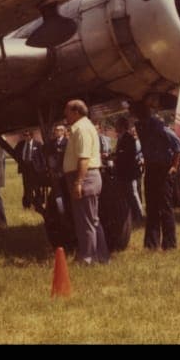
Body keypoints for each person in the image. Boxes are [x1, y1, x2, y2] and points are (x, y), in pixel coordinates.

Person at [62, 99, 109, 265]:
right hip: (89, 176)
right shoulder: (85, 126)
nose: (65, 115)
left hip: (84, 176)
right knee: (92, 220)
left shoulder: (80, 129)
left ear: (76, 113)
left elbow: (83, 158)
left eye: (67, 111)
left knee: (85, 221)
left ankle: (87, 258)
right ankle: (101, 256)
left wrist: (78, 182)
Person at [132, 98, 180, 250]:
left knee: (165, 207)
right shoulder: (141, 126)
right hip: (151, 168)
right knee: (152, 207)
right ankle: (151, 244)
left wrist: (174, 166)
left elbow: (177, 146)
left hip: (163, 169)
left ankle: (169, 244)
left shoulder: (158, 126)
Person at [113, 116, 144, 222]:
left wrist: (117, 156)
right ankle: (132, 215)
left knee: (133, 193)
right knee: (127, 194)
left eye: (116, 125)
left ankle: (139, 215)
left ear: (122, 126)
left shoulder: (129, 138)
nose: (115, 127)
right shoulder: (120, 138)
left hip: (129, 172)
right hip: (123, 172)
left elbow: (130, 154)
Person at [13, 130, 44, 211]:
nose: (26, 137)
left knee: (37, 188)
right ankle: (27, 205)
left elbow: (42, 157)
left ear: (31, 136)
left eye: (27, 135)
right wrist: (20, 161)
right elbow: (15, 153)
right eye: (25, 135)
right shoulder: (21, 144)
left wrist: (41, 169)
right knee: (26, 187)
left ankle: (39, 205)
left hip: (35, 169)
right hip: (25, 169)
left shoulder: (37, 144)